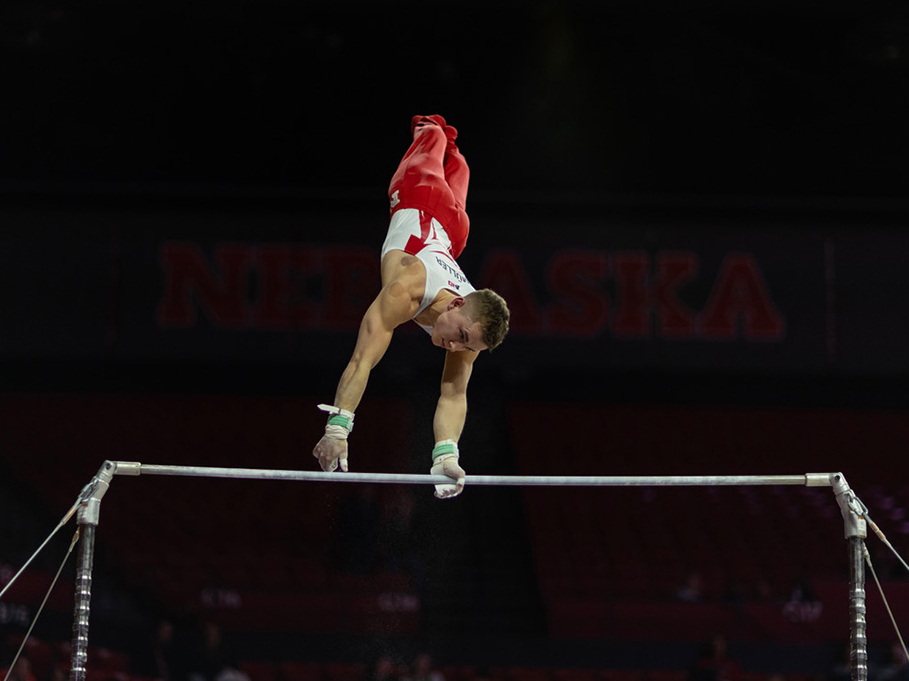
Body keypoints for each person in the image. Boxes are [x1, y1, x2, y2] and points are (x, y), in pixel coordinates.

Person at [312, 115, 510, 499]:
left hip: (453, 233)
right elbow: (361, 361)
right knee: (434, 137)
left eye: (468, 348)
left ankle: (452, 147)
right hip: (420, 192)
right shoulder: (406, 289)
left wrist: (446, 455)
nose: (456, 348)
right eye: (462, 337)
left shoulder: (472, 333)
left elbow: (453, 395)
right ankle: (432, 128)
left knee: (463, 166)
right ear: (456, 302)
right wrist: (338, 428)